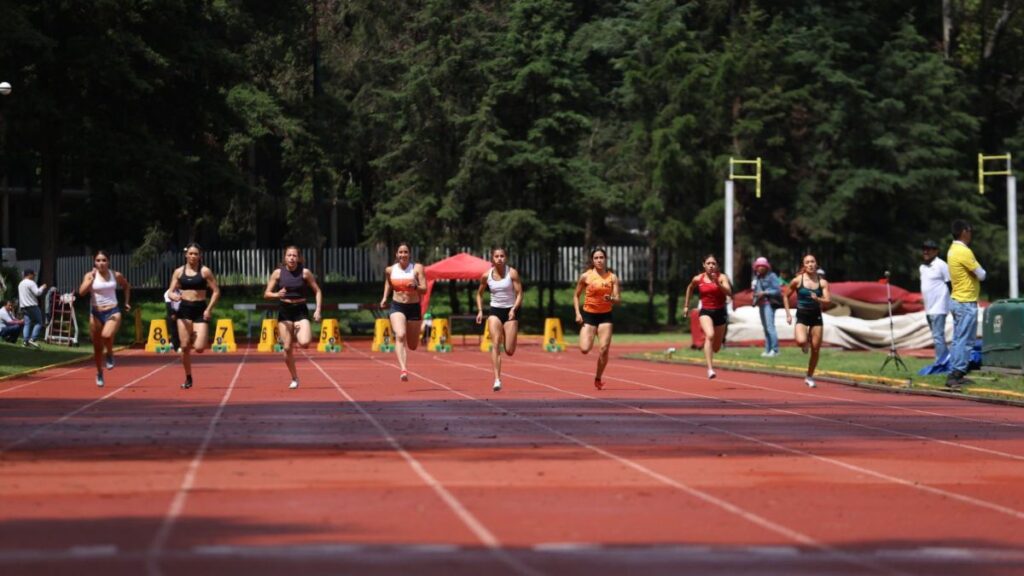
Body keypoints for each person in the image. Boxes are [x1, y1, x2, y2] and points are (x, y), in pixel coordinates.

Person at [264, 246, 323, 389]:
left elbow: (318, 291)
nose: (291, 258)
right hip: (285, 311)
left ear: (299, 258)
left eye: (294, 256)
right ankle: (294, 377)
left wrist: (318, 310)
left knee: (305, 343)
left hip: (300, 310)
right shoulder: (278, 273)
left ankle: (297, 331)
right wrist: (277, 294)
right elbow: (266, 293)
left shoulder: (305, 273)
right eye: (289, 255)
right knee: (286, 347)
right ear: (285, 258)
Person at [167, 243, 221, 389]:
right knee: (184, 347)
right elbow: (170, 291)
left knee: (199, 348)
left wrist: (209, 309)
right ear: (186, 255)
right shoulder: (179, 272)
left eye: (195, 254)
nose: (193, 256)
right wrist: (174, 296)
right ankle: (188, 377)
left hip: (200, 310)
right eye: (190, 253)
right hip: (184, 310)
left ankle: (193, 335)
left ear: (200, 256)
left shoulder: (205, 272)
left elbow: (216, 291)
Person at [78, 250, 131, 387]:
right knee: (97, 348)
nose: (101, 263)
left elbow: (126, 286)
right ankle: (99, 372)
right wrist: (90, 280)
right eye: (98, 260)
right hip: (96, 313)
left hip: (113, 310)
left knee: (106, 335)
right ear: (94, 262)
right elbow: (81, 292)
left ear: (108, 261)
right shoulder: (90, 276)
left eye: (104, 260)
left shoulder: (115, 275)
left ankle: (110, 354)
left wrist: (126, 302)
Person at [475, 247, 524, 392]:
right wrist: (480, 310)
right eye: (496, 256)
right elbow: (479, 294)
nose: (499, 259)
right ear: (492, 258)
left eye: (502, 256)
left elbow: (520, 293)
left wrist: (514, 309)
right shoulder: (486, 276)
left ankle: (511, 335)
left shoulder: (512, 273)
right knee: (495, 343)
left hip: (510, 311)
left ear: (506, 258)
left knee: (509, 350)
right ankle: (497, 379)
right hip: (495, 311)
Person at [573, 247, 621, 390]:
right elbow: (576, 295)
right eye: (596, 258)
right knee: (585, 349)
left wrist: (611, 298)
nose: (599, 260)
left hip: (605, 315)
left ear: (605, 259)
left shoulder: (612, 277)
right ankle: (588, 334)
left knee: (604, 349)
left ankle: (598, 378)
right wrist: (577, 313)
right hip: (589, 315)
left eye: (601, 257)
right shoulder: (586, 276)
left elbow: (618, 300)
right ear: (592, 260)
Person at [946, 220, 985, 389]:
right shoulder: (964, 252)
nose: (971, 234)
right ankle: (956, 374)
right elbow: (982, 274)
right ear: (964, 232)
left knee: (958, 339)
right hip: (965, 301)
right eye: (970, 230)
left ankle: (956, 371)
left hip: (957, 299)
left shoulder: (952, 249)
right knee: (965, 340)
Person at [380, 242, 427, 381]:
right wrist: (384, 298)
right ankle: (403, 369)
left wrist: (416, 286)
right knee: (400, 335)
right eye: (400, 252)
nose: (403, 255)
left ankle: (409, 332)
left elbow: (424, 289)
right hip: (397, 306)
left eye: (405, 252)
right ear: (396, 254)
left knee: (412, 345)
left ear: (409, 254)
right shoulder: (390, 270)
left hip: (413, 307)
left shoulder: (417, 268)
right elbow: (388, 283)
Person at [783, 253, 831, 388]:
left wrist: (818, 299)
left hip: (816, 316)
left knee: (815, 349)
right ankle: (805, 345)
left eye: (812, 262)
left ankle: (809, 376)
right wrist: (788, 314)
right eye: (807, 262)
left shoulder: (822, 282)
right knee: (801, 341)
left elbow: (828, 301)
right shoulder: (798, 280)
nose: (810, 264)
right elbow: (786, 296)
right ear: (804, 265)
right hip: (802, 315)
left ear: (816, 264)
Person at [683, 254, 733, 379]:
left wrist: (718, 283)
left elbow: (729, 292)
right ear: (704, 265)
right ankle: (710, 369)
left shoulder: (722, 277)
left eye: (713, 264)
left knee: (716, 348)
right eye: (709, 263)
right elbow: (689, 288)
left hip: (720, 312)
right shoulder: (698, 279)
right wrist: (686, 306)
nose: (711, 266)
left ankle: (712, 356)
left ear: (717, 266)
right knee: (709, 335)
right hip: (706, 311)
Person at [919, 239, 951, 362]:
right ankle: (946, 360)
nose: (925, 251)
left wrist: (952, 301)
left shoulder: (942, 265)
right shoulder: (922, 267)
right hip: (928, 308)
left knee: (938, 336)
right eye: (924, 249)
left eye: (929, 249)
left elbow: (950, 284)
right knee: (936, 336)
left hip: (939, 306)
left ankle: (940, 362)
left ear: (936, 251)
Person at [751, 256, 782, 357]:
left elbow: (777, 290)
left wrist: (765, 292)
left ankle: (775, 350)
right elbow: (756, 291)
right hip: (761, 304)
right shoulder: (758, 278)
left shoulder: (772, 276)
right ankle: (767, 350)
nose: (760, 268)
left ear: (766, 267)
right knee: (765, 328)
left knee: (770, 327)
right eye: (758, 266)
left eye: (762, 266)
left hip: (769, 304)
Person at [17, 269, 47, 348]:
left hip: (24, 306)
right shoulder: (31, 283)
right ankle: (33, 339)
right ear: (29, 274)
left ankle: (25, 341)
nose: (34, 276)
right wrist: (42, 287)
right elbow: (37, 293)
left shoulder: (20, 283)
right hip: (32, 305)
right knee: (39, 322)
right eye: (33, 275)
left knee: (27, 324)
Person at [163, 288, 182, 352]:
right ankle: (176, 345)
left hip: (182, 310)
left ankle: (180, 342)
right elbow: (168, 305)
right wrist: (172, 313)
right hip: (173, 311)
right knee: (173, 328)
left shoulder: (182, 291)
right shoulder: (168, 292)